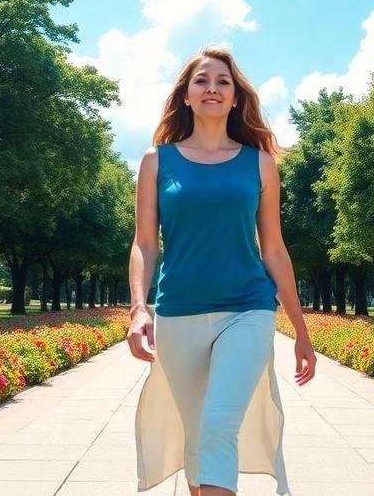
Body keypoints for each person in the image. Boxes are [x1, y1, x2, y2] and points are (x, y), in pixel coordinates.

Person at [127, 46, 315, 496]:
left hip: (247, 308)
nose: (213, 88)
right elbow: (145, 243)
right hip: (179, 312)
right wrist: (138, 308)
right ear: (186, 96)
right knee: (198, 438)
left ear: (235, 99)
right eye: (202, 81)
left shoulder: (260, 163)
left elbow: (274, 250)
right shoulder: (156, 161)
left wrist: (301, 331)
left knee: (218, 423)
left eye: (223, 82)